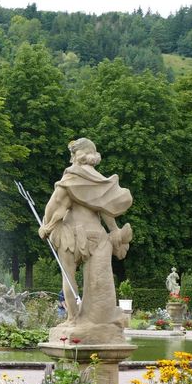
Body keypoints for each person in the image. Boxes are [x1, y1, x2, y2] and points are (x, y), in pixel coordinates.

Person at [39, 138, 132, 340]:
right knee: (98, 283)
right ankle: (98, 321)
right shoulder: (99, 182)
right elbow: (106, 210)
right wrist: (115, 230)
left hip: (72, 235)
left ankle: (72, 320)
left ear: (75, 156)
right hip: (97, 236)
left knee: (69, 277)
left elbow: (57, 208)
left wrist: (46, 227)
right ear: (92, 157)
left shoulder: (70, 180)